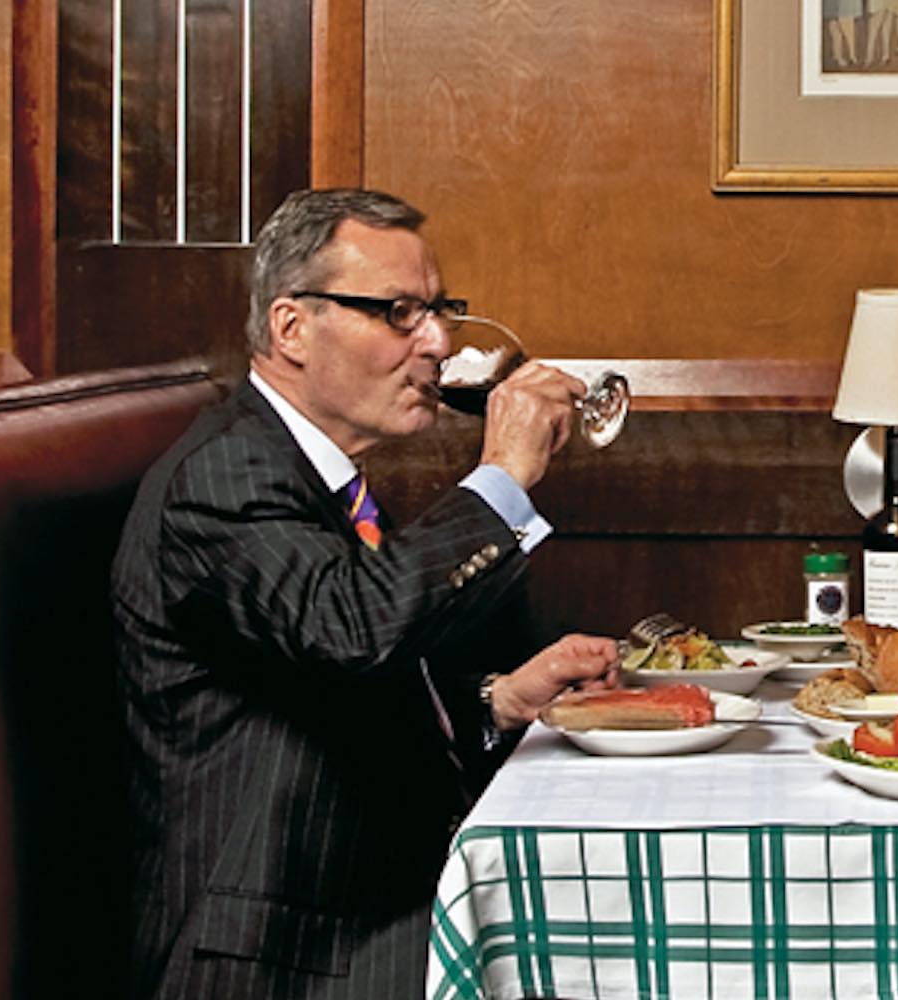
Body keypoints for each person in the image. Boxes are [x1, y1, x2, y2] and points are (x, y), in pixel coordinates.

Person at [113, 188, 623, 999]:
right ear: (291, 328)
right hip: (282, 952)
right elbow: (353, 628)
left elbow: (326, 685)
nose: (441, 343)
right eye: (398, 313)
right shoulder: (225, 476)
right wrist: (502, 478)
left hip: (351, 904)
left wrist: (495, 701)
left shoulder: (309, 473)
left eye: (439, 310)